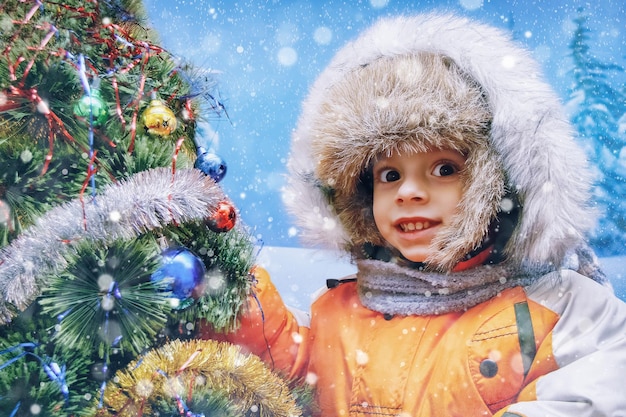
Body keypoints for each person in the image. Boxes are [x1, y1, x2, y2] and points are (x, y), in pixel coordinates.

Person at [201, 12, 626, 416]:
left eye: (444, 169)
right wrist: (229, 290)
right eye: (389, 174)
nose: (407, 192)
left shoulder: (556, 306)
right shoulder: (339, 312)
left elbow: (592, 392)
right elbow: (283, 372)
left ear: (496, 185)